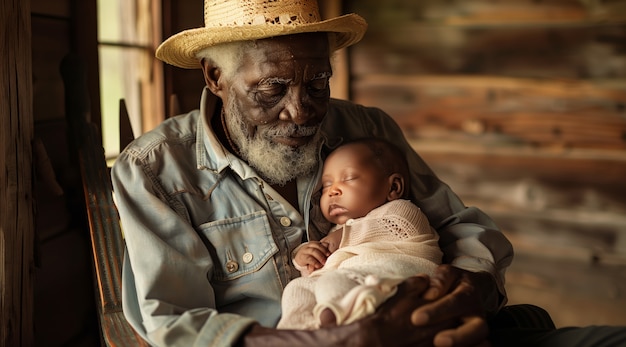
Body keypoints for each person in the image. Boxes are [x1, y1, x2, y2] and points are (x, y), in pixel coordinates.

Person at [111, 0, 626, 346]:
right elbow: (176, 325)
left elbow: (462, 226)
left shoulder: (365, 128)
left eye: (317, 83)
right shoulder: (155, 170)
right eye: (271, 89)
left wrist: (473, 288)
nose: (303, 110)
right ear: (215, 76)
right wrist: (338, 342)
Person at [277, 138, 443, 330]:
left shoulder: (400, 210)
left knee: (332, 282)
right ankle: (297, 331)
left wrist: (344, 236)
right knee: (297, 289)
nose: (333, 191)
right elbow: (320, 268)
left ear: (394, 187)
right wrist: (306, 260)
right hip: (346, 279)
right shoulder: (335, 230)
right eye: (326, 186)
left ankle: (341, 317)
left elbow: (403, 227)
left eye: (348, 178)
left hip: (397, 273)